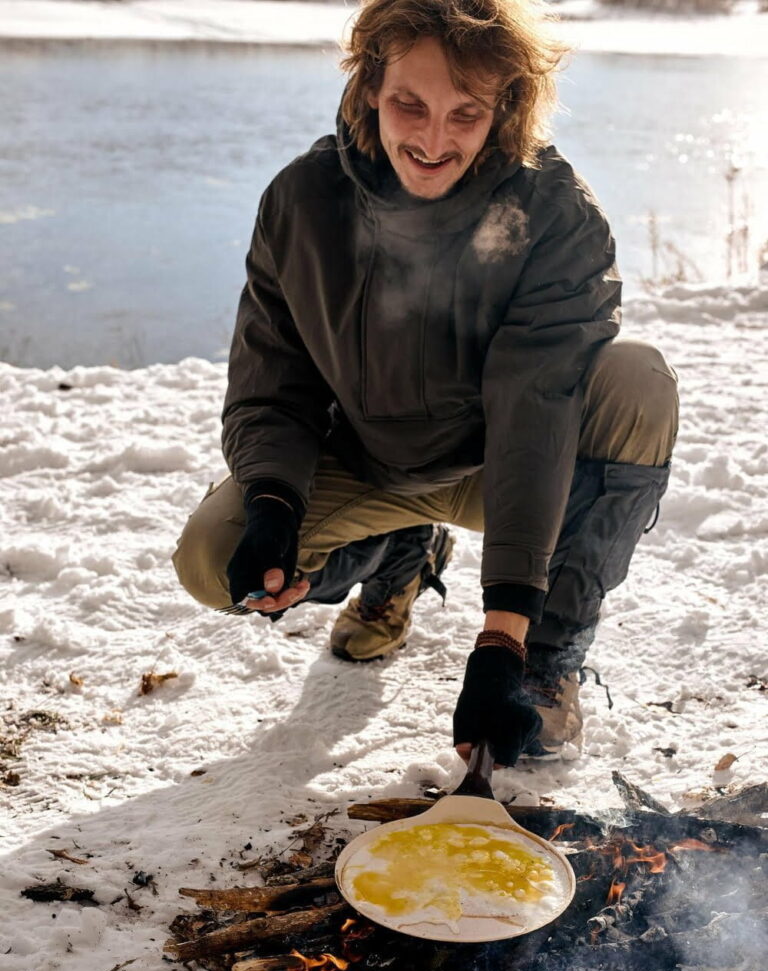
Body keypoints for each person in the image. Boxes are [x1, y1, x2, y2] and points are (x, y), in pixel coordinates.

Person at [173, 0, 678, 766]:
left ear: (504, 107)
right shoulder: (301, 203)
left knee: (638, 382)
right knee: (213, 559)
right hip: (370, 461)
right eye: (410, 104)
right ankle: (397, 552)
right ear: (370, 84)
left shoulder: (554, 216)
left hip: (500, 467)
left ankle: (549, 666)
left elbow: (535, 411)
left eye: (465, 114)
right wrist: (275, 500)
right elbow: (273, 379)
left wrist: (504, 638)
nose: (433, 140)